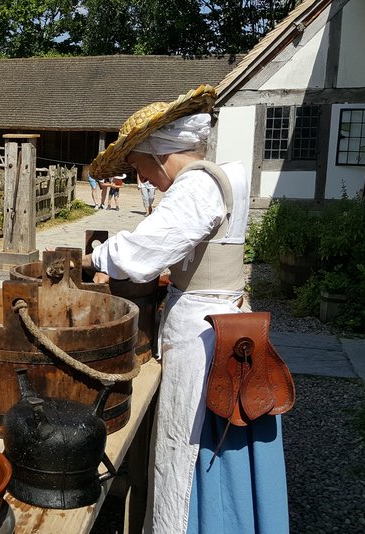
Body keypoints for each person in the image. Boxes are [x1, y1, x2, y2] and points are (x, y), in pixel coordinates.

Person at [83, 85, 289, 534]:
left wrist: (92, 258)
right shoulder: (224, 174)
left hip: (204, 334)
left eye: (140, 167)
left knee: (189, 439)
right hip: (227, 317)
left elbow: (143, 252)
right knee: (221, 430)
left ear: (160, 153)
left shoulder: (195, 186)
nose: (143, 180)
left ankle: (197, 524)